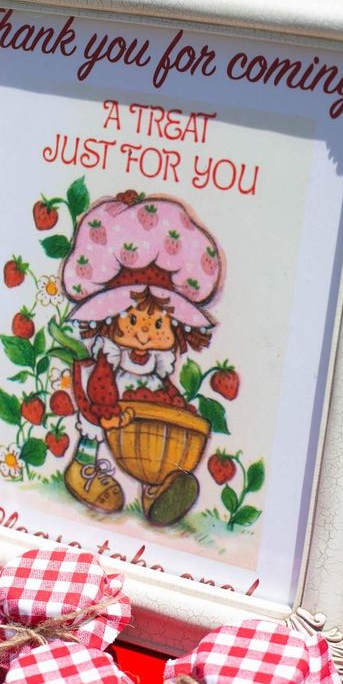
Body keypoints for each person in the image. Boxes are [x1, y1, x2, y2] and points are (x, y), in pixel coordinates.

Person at [60, 191, 222, 524]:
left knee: (157, 446)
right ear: (112, 317)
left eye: (158, 323)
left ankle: (155, 492)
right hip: (111, 404)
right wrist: (106, 412)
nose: (145, 333)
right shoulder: (110, 358)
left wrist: (180, 407)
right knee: (93, 426)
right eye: (133, 320)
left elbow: (166, 389)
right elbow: (103, 386)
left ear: (175, 327)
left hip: (141, 414)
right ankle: (84, 465)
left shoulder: (156, 365)